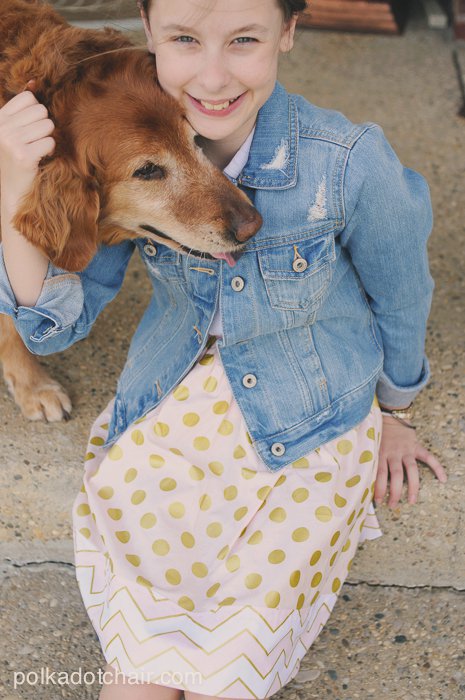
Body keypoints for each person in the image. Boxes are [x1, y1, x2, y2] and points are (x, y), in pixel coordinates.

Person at [0, 0, 448, 698]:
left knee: (230, 656)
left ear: (289, 32)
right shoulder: (118, 132)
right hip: (176, 402)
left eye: (243, 39)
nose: (212, 75)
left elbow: (401, 291)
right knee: (138, 670)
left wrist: (394, 405)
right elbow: (58, 323)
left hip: (306, 416)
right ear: (148, 37)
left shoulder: (347, 161)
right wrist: (13, 188)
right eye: (184, 39)